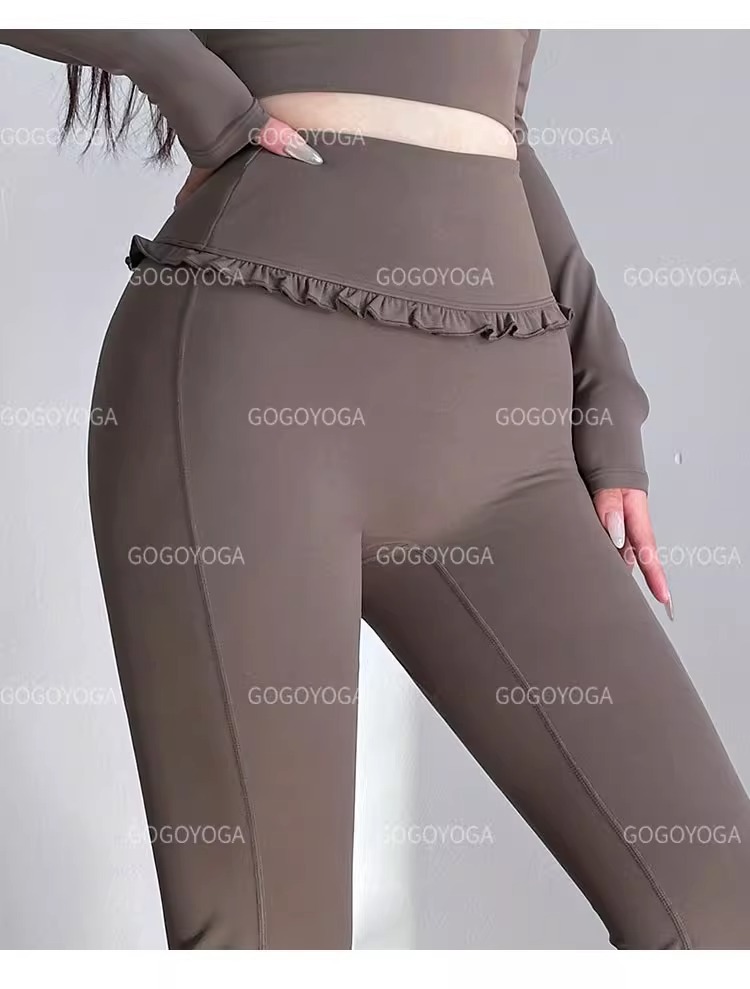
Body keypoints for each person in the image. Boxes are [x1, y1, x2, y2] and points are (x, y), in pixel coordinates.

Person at [2, 28, 749, 950]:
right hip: (260, 369)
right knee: (272, 941)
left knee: (719, 908)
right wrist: (197, 90)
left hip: (507, 435)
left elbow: (499, 129)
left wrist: (606, 388)